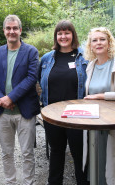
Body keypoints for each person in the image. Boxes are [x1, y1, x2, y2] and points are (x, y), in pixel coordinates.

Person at [0, 14, 40, 185]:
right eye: (8, 28)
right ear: (4, 31)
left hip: (25, 111)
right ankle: (10, 182)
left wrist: (11, 97)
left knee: (27, 153)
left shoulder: (31, 51)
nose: (12, 31)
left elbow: (32, 78)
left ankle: (29, 182)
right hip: (3, 112)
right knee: (7, 152)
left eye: (15, 28)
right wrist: (2, 99)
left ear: (20, 30)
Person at [39, 20, 89, 185]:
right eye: (60, 33)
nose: (63, 36)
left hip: (77, 116)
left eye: (67, 33)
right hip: (53, 115)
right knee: (56, 152)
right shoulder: (47, 58)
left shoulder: (84, 57)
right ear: (56, 36)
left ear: (73, 35)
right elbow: (39, 81)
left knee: (79, 154)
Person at [83, 27, 115, 185]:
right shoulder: (91, 65)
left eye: (102, 39)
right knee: (97, 161)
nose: (98, 43)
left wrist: (100, 96)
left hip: (112, 123)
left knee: (111, 165)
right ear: (90, 45)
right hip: (94, 121)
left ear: (109, 42)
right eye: (94, 40)